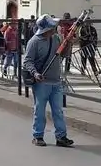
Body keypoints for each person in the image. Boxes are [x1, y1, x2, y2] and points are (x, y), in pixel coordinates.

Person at [23, 15, 73, 148]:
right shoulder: (34, 42)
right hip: (42, 82)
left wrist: (68, 43)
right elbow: (27, 61)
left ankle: (61, 136)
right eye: (52, 27)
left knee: (58, 110)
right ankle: (38, 135)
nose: (55, 29)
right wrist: (35, 73)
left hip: (56, 81)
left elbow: (63, 55)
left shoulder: (56, 38)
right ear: (46, 29)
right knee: (39, 110)